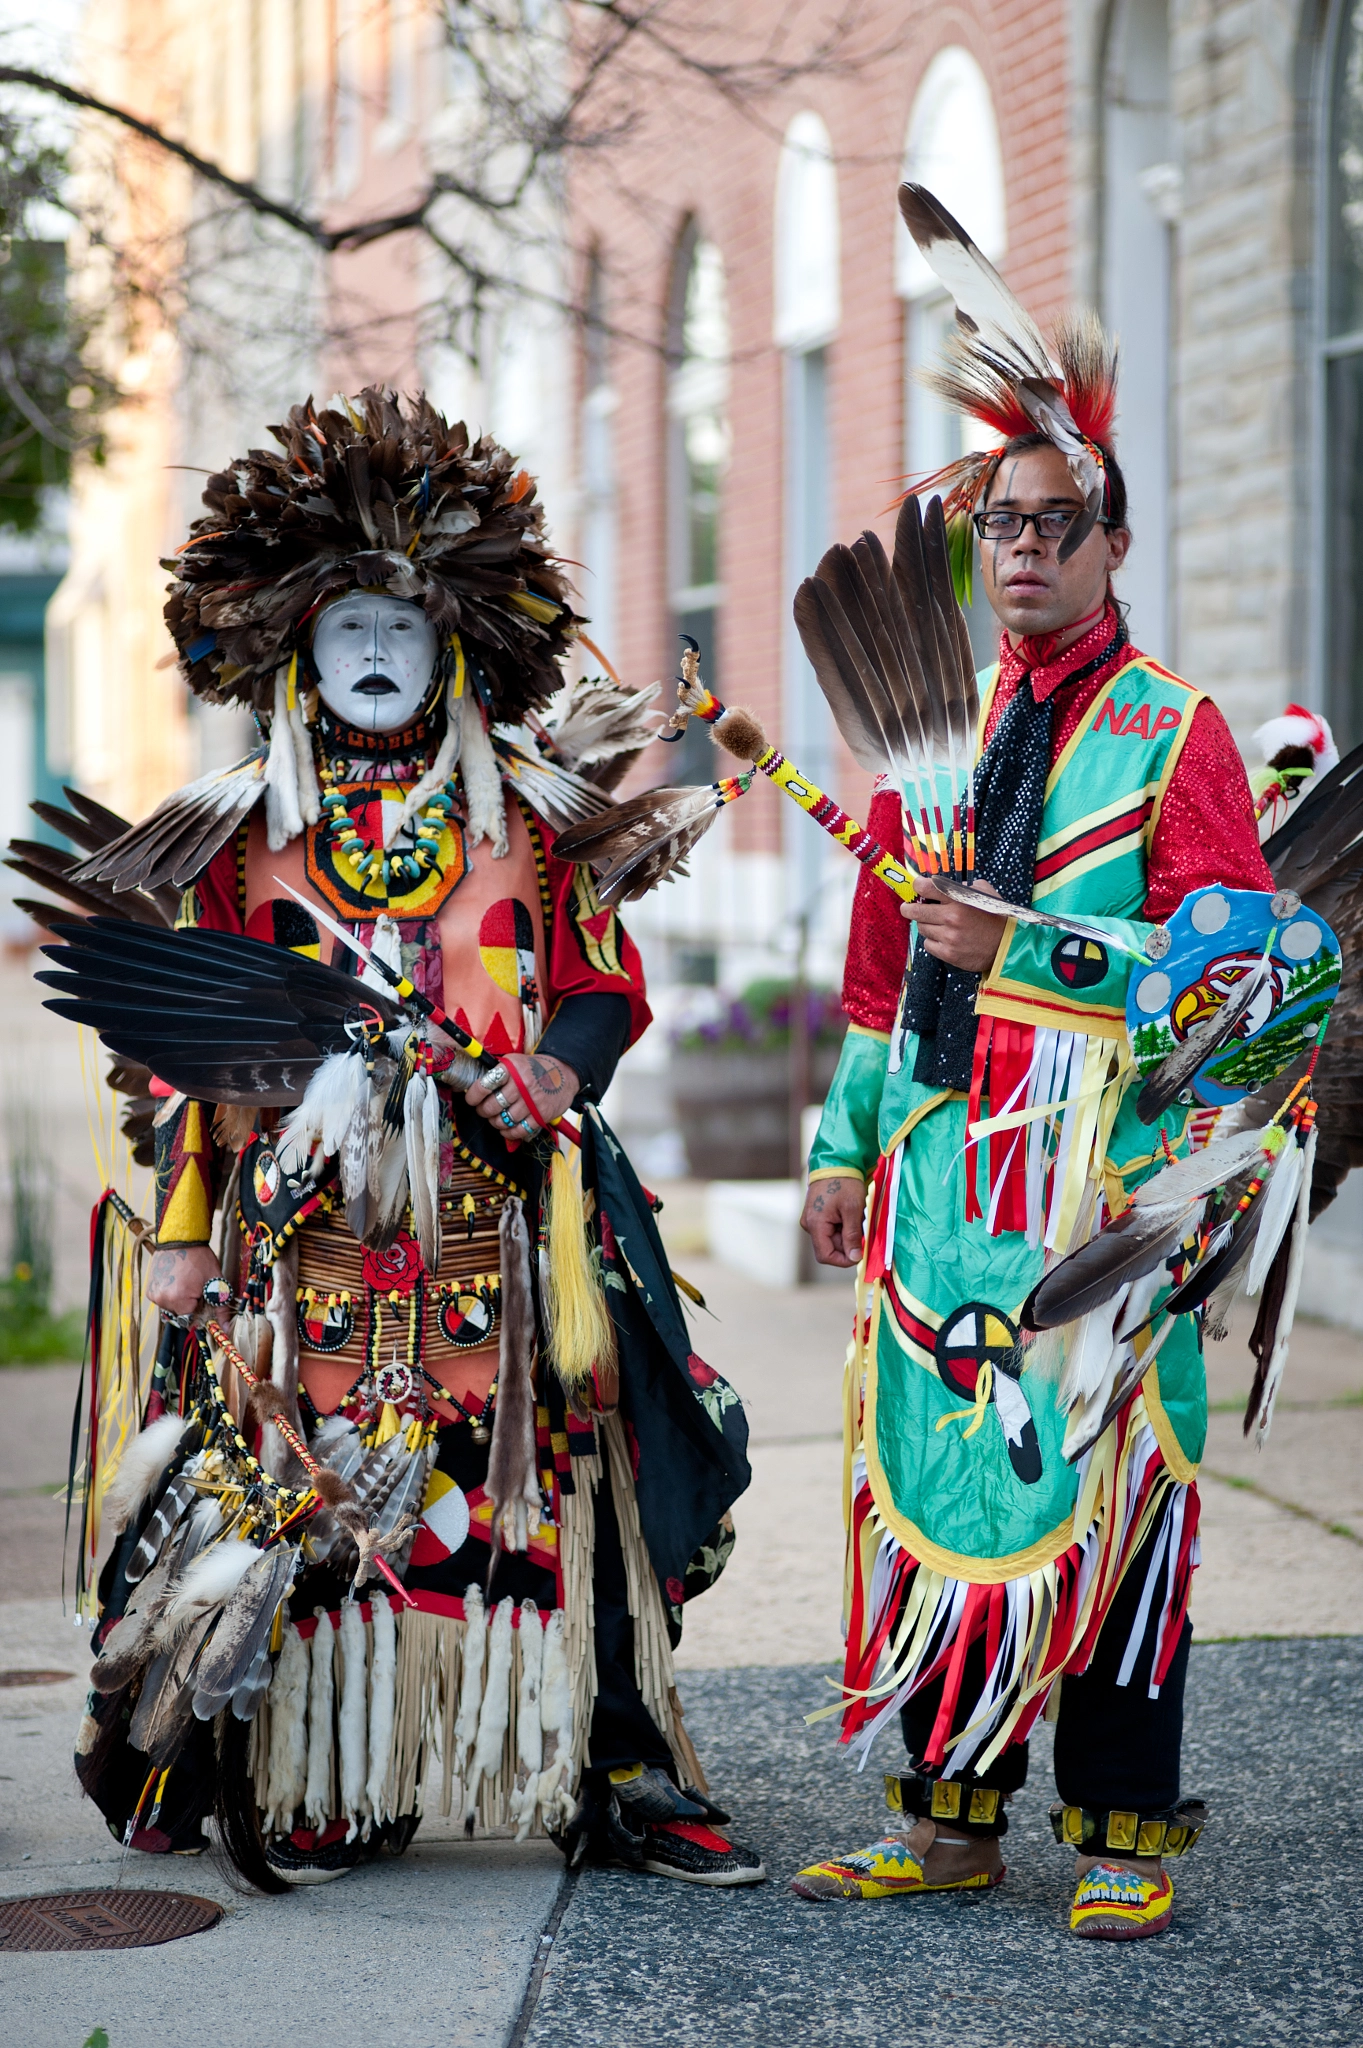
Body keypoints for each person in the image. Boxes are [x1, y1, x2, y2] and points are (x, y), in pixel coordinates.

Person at [43, 391, 761, 1890]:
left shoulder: (530, 817)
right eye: (344, 627)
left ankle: (611, 1764)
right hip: (306, 1234)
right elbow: (190, 1061)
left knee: (576, 1472)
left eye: (404, 627)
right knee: (323, 1483)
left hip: (507, 1220)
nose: (374, 652)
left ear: (457, 648)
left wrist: (551, 1082)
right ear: (293, 650)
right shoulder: (237, 841)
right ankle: (332, 1772)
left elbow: (595, 993)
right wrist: (182, 1230)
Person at [789, 331, 1275, 1935]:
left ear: (1115, 545)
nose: (1021, 550)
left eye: (1056, 522)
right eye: (999, 524)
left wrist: (1035, 953)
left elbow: (1244, 981)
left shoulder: (1171, 734)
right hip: (939, 1190)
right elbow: (875, 982)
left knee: (1112, 1491)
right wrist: (841, 1152)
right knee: (934, 1489)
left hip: (1100, 1190)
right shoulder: (930, 739)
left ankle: (1123, 1834)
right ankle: (948, 1822)